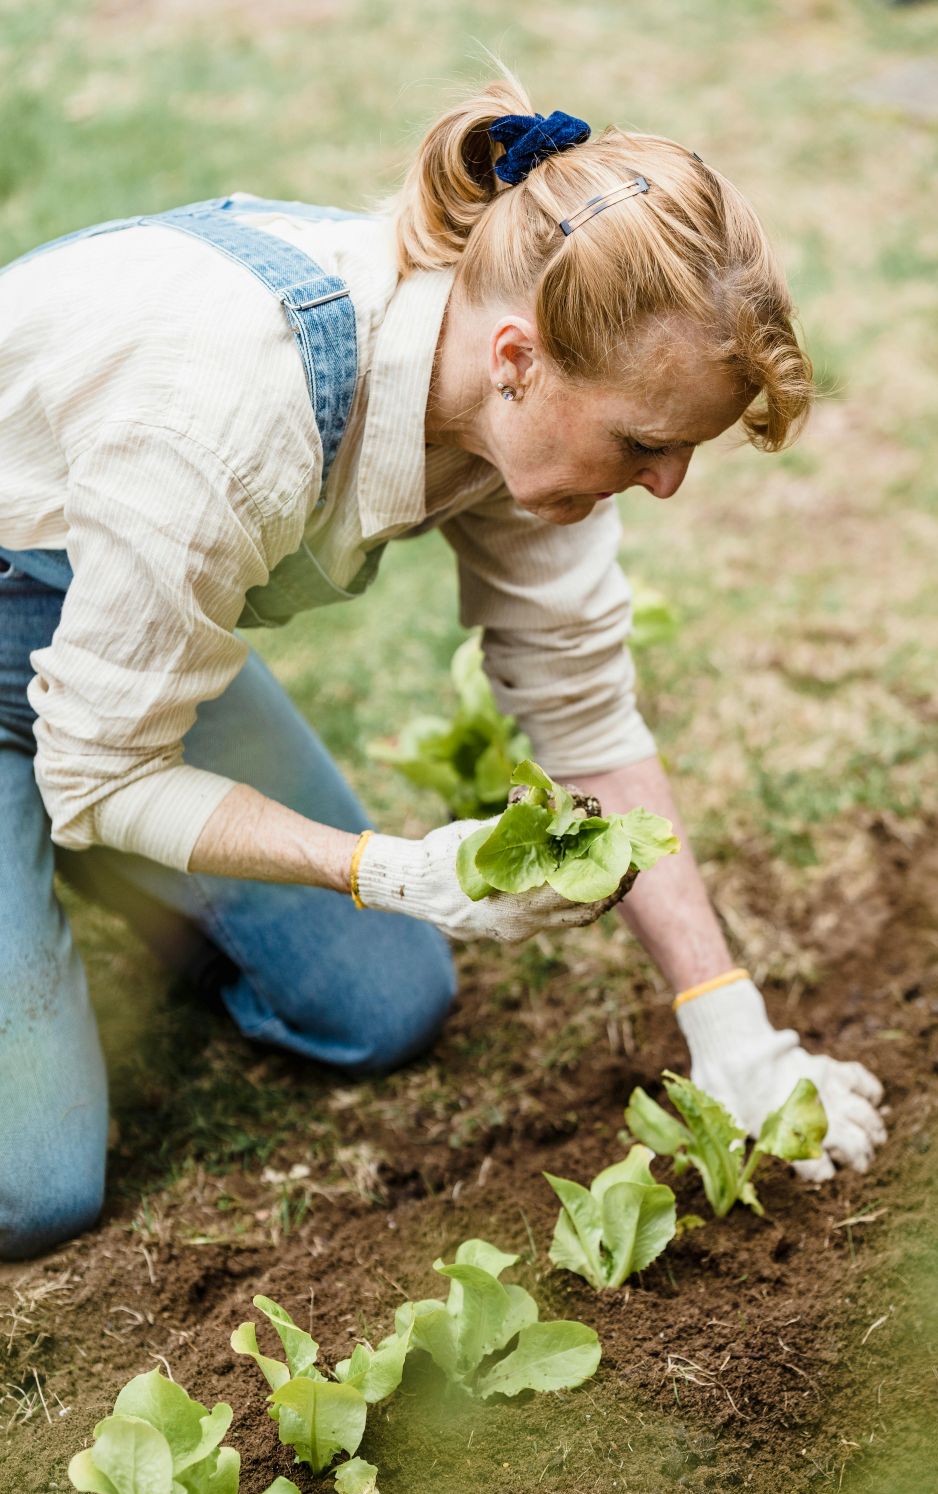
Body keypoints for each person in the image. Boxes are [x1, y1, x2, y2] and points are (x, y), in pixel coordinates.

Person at [0, 70, 885, 1261]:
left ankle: (53, 844)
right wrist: (386, 867)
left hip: (103, 619)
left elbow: (582, 705)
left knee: (384, 1007)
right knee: (36, 1187)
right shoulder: (227, 411)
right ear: (518, 359)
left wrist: (728, 1023)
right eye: (647, 445)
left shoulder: (521, 394)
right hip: (37, 611)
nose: (666, 483)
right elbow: (104, 776)